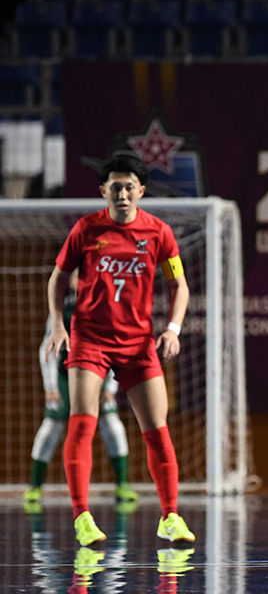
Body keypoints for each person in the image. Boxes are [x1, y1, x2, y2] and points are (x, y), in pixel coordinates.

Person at [46, 154, 195, 546]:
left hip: (138, 343)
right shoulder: (86, 229)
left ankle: (170, 517)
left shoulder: (159, 232)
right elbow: (58, 278)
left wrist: (173, 329)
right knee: (82, 422)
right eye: (116, 187)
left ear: (141, 190)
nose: (123, 194)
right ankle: (82, 517)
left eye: (130, 187)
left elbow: (179, 285)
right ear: (104, 191)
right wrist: (58, 324)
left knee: (157, 428)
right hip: (90, 339)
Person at [25, 270, 138, 512]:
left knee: (112, 426)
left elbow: (115, 348)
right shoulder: (62, 310)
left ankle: (122, 485)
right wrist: (51, 387)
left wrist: (111, 386)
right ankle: (35, 487)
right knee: (51, 428)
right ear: (73, 282)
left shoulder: (108, 308)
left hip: (98, 376)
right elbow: (47, 347)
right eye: (80, 277)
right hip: (66, 378)